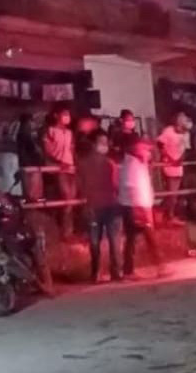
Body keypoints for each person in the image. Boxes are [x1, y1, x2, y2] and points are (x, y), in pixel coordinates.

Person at [119, 138, 167, 279]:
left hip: (138, 205)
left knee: (132, 239)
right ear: (135, 150)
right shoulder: (132, 165)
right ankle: (160, 267)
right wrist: (138, 210)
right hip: (136, 206)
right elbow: (131, 187)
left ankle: (128, 271)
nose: (148, 152)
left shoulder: (138, 163)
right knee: (149, 238)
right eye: (145, 149)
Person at [78, 131, 122, 283]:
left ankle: (96, 273)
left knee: (95, 242)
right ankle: (116, 273)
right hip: (106, 205)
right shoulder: (110, 163)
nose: (105, 145)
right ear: (94, 143)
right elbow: (116, 185)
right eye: (102, 142)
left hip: (96, 206)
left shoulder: (82, 163)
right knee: (113, 240)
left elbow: (80, 186)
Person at [43, 107, 76, 237]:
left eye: (68, 114)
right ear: (57, 115)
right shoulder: (50, 131)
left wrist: (73, 163)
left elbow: (72, 150)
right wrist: (58, 163)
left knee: (71, 201)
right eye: (64, 114)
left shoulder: (69, 133)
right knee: (66, 197)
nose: (67, 117)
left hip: (71, 168)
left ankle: (68, 230)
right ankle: (65, 231)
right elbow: (46, 150)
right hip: (58, 169)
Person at [157, 112, 193, 225]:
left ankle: (165, 213)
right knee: (172, 193)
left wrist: (180, 159)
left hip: (178, 165)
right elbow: (160, 145)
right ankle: (168, 215)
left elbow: (185, 148)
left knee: (175, 194)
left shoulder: (186, 134)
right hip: (168, 164)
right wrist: (169, 158)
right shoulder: (168, 131)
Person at [16, 113, 44, 201]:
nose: (32, 124)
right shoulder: (23, 135)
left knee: (33, 192)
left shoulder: (30, 135)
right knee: (31, 193)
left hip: (31, 164)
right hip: (29, 165)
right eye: (30, 122)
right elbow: (32, 150)